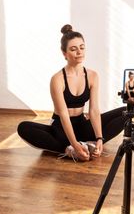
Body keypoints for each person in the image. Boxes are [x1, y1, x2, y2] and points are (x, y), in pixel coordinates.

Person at [17, 24, 128, 161]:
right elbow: (63, 114)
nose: (79, 52)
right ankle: (68, 148)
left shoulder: (93, 76)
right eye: (73, 49)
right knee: (24, 127)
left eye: (82, 48)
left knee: (126, 112)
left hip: (81, 124)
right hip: (61, 127)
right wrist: (74, 145)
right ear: (64, 53)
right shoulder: (57, 79)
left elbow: (94, 110)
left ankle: (90, 144)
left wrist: (100, 138)